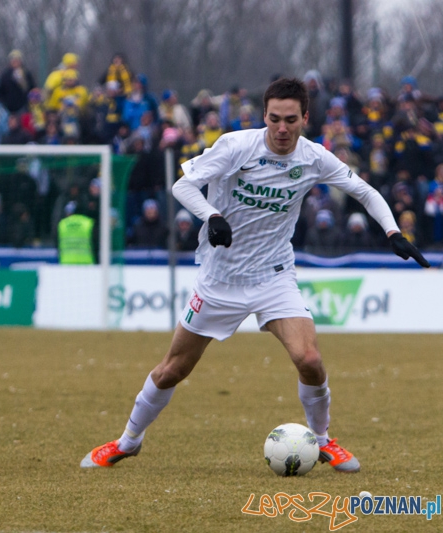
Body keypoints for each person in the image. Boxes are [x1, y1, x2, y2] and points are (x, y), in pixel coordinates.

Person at [80, 77, 430, 473]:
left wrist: (393, 231)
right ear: (264, 115)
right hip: (220, 279)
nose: (282, 129)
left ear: (305, 119)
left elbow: (364, 191)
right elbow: (183, 185)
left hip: (274, 277)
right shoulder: (237, 146)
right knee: (172, 369)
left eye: (291, 120)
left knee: (310, 359)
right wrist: (212, 215)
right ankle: (128, 441)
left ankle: (323, 440)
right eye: (275, 119)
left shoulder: (314, 157)